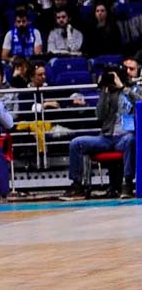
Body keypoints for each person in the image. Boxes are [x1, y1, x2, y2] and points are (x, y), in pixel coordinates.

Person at [61, 59, 142, 200]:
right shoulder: (108, 92)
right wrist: (104, 91)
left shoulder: (135, 89)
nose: (128, 72)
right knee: (76, 143)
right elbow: (99, 115)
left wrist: (123, 88)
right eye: (126, 68)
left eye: (131, 69)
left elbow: (140, 102)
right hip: (106, 137)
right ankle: (77, 186)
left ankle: (127, 184)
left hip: (125, 136)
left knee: (130, 140)